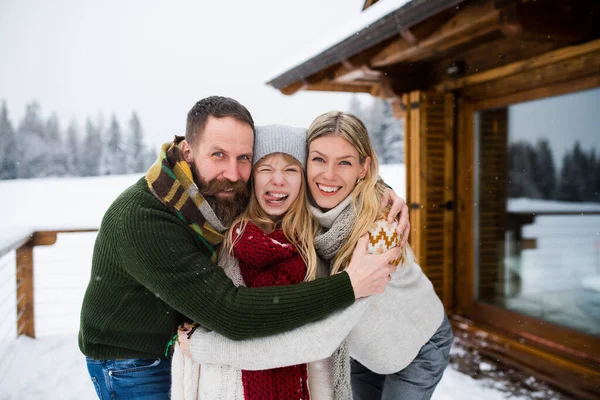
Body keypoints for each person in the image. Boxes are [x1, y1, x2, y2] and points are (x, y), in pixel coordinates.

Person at [79, 96, 409, 399]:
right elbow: (231, 312)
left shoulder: (221, 186)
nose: (234, 172)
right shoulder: (144, 219)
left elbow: (320, 174)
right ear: (188, 152)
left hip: (178, 337)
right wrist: (348, 285)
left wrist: (377, 189)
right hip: (132, 360)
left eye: (244, 158)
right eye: (218, 154)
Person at [180, 111, 453, 400]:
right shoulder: (301, 202)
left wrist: (203, 348)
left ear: (363, 168)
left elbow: (318, 339)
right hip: (363, 347)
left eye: (345, 163)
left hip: (416, 345)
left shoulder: (378, 234)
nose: (328, 175)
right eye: (318, 159)